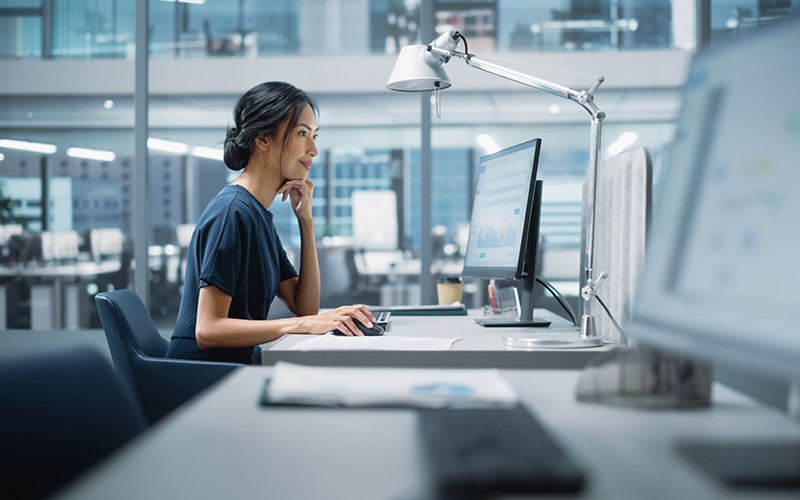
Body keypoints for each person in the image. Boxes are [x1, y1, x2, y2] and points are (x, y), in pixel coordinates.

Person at [167, 81, 376, 365]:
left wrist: (306, 221)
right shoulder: (232, 212)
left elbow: (305, 307)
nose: (313, 149)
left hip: (237, 367)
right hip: (202, 377)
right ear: (263, 139)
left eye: (314, 136)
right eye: (303, 134)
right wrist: (297, 325)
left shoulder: (258, 215)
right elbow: (208, 329)